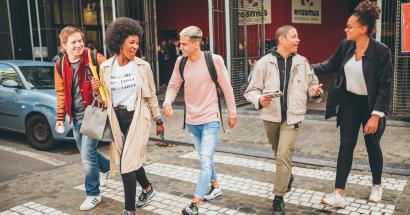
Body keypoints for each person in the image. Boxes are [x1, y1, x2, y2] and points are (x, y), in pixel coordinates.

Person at [312, 0, 392, 208]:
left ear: (363, 29)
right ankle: (339, 193)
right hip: (350, 102)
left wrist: (376, 115)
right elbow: (330, 64)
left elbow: (385, 86)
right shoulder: (345, 45)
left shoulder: (382, 52)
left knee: (372, 145)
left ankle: (377, 184)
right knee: (345, 146)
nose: (345, 29)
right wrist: (305, 66)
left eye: (349, 26)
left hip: (371, 105)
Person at [244, 25, 323, 215]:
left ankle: (278, 198)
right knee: (278, 152)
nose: (298, 40)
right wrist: (259, 100)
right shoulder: (263, 63)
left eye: (297, 37)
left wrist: (315, 92)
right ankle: (288, 176)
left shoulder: (303, 62)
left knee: (282, 155)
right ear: (282, 39)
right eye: (294, 37)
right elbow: (251, 91)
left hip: (293, 118)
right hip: (270, 116)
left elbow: (314, 86)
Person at [163, 26, 237, 215]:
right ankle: (215, 186)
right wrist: (167, 101)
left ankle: (195, 203)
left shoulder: (214, 60)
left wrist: (232, 112)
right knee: (205, 157)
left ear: (197, 44)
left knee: (205, 160)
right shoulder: (181, 62)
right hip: (192, 120)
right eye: (180, 43)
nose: (180, 47)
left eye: (184, 44)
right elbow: (173, 85)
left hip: (211, 118)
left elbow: (227, 87)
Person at [98, 17, 164, 215]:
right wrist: (96, 90)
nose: (136, 46)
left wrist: (158, 119)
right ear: (119, 42)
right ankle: (148, 189)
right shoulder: (105, 67)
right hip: (117, 121)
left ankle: (129, 210)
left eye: (137, 42)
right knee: (132, 160)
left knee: (126, 165)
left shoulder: (143, 66)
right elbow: (104, 98)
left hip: (138, 119)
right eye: (131, 42)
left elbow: (151, 94)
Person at [54, 26, 110, 211]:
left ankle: (93, 194)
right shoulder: (60, 65)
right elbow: (61, 92)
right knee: (86, 152)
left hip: (93, 114)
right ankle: (107, 167)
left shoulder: (95, 58)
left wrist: (98, 86)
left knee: (86, 156)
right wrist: (60, 117)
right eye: (73, 42)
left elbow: (110, 83)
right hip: (76, 116)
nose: (78, 45)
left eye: (80, 41)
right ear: (64, 46)